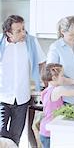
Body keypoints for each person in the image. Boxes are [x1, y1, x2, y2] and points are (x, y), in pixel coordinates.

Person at [0, 15, 46, 146]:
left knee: (16, 136)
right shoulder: (0, 43)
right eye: (18, 31)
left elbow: (42, 62)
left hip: (22, 97)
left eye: (24, 29)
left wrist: (45, 82)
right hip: (2, 97)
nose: (23, 33)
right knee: (1, 135)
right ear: (9, 33)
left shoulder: (31, 42)